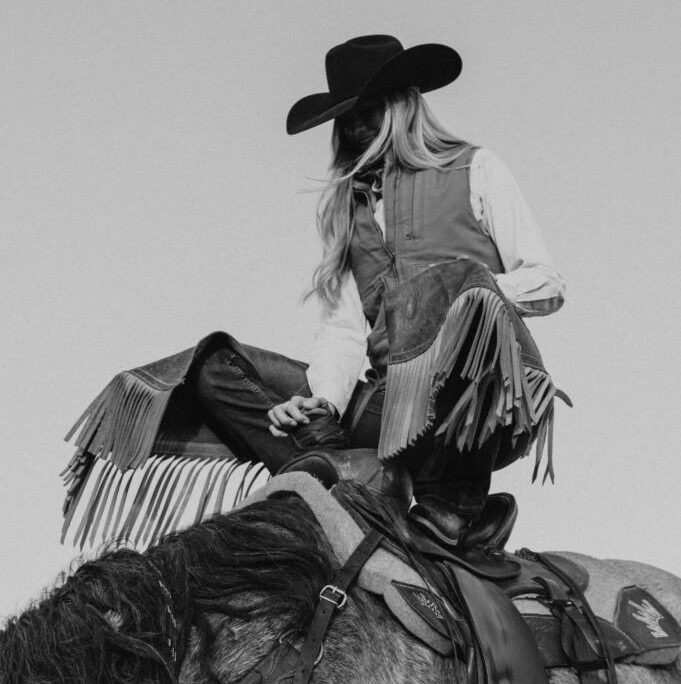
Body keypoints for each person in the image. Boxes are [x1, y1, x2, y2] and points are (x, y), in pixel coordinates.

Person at [63, 34, 565, 549]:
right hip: (383, 407)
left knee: (455, 293)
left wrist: (464, 296)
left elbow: (546, 283)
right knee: (211, 366)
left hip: (466, 405)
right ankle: (344, 469)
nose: (355, 128)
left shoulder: (476, 167)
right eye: (345, 119)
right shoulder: (350, 211)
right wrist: (320, 403)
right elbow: (346, 332)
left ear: (403, 105)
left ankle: (445, 501)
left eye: (367, 111)